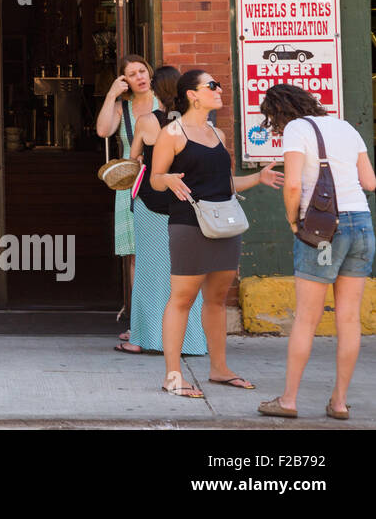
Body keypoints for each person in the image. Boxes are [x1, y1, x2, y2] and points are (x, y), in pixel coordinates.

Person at [149, 70, 282, 398]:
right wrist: (166, 179)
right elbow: (154, 179)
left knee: (218, 299)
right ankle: (173, 375)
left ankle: (219, 369)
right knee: (182, 299)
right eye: (212, 86)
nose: (219, 89)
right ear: (192, 94)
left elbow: (225, 184)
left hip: (225, 223)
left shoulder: (217, 135)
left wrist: (257, 178)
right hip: (189, 223)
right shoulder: (173, 133)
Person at [255, 85, 376, 419]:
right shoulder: (346, 127)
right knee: (349, 318)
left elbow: (293, 184)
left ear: (280, 112)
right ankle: (339, 402)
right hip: (362, 225)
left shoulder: (297, 129)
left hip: (323, 230)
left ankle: (289, 400)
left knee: (307, 319)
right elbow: (370, 182)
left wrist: (293, 221)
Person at [115, 66, 207, 358]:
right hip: (185, 204)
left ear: (155, 90)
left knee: (147, 272)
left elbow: (132, 162)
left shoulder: (146, 121)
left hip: (152, 204)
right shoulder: (193, 123)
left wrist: (143, 158)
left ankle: (141, 338)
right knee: (184, 274)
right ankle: (191, 341)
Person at [95, 54, 157, 343]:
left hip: (160, 183)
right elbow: (103, 130)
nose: (139, 77)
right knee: (136, 256)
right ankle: (139, 323)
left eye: (142, 71)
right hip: (130, 185)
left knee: (164, 254)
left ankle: (165, 320)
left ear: (150, 72)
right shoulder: (123, 106)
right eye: (131, 74)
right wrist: (111, 95)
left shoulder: (165, 103)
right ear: (124, 81)